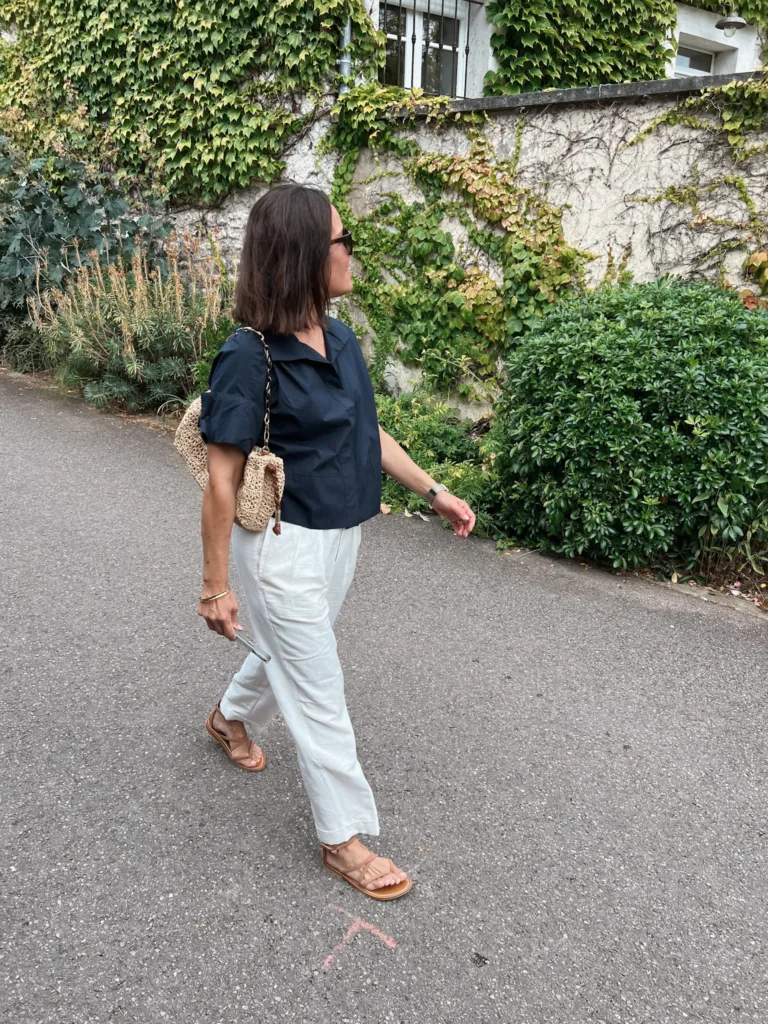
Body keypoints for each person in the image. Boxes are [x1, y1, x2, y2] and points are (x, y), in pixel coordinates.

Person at [196, 182, 476, 901]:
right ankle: (342, 838)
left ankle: (227, 719)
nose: (352, 253)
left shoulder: (341, 337)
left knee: (293, 650)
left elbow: (367, 432)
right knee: (321, 689)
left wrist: (434, 491)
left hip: (342, 536)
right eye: (342, 241)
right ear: (302, 255)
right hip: (282, 547)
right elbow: (222, 481)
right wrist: (215, 586)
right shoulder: (248, 357)